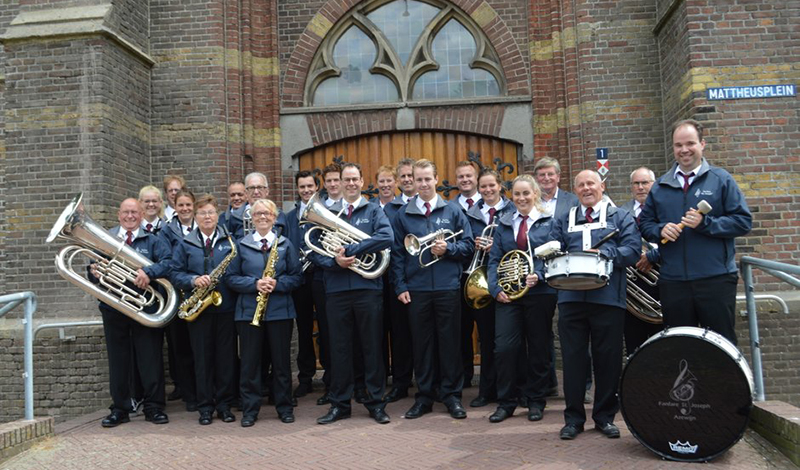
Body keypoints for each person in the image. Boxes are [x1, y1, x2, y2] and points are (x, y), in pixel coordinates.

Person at [639, 119, 752, 345]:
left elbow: (742, 222)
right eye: (678, 145)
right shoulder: (660, 187)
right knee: (682, 347)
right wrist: (661, 229)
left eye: (690, 143)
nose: (684, 150)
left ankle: (724, 383)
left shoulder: (721, 180)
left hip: (715, 280)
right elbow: (645, 224)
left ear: (702, 144)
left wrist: (705, 224)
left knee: (722, 346)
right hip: (674, 282)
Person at [549, 170, 640, 440]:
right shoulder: (564, 219)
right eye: (581, 185)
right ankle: (573, 419)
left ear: (602, 185)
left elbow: (633, 250)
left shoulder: (620, 217)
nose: (586, 188)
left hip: (608, 298)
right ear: (575, 190)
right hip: (571, 298)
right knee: (574, 361)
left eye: (591, 183)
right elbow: (552, 247)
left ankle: (604, 417)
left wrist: (606, 253)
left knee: (608, 360)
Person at [390, 159, 474, 419]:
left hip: (447, 287)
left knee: (450, 344)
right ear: (412, 182)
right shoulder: (403, 215)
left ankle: (452, 396)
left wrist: (448, 249)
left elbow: (468, 246)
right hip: (417, 289)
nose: (423, 184)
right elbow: (397, 255)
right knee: (422, 345)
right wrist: (400, 285)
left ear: (437, 179)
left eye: (428, 179)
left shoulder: (452, 211)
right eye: (419, 179)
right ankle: (424, 396)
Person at [310, 163, 394, 425]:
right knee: (339, 349)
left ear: (362, 181)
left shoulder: (372, 210)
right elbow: (313, 251)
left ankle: (376, 403)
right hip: (336, 291)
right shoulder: (327, 212)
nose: (350, 183)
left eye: (355, 179)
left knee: (371, 348)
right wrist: (335, 262)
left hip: (368, 290)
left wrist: (355, 249)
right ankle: (340, 404)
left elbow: (387, 237)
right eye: (346, 180)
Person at [92, 198, 173, 427]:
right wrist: (94, 272)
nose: (130, 216)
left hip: (144, 307)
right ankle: (120, 409)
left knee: (150, 358)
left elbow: (168, 263)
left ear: (141, 215)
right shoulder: (105, 239)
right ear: (119, 215)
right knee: (118, 361)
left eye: (134, 213)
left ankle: (154, 407)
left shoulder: (153, 240)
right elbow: (92, 267)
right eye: (126, 212)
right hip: (114, 307)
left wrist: (149, 272)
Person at [485, 175, 555, 422]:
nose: (522, 198)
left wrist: (541, 274)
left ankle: (536, 401)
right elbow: (494, 260)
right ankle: (507, 402)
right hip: (509, 296)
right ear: (511, 196)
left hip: (540, 294)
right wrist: (495, 289)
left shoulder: (549, 222)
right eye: (517, 194)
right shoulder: (504, 223)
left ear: (535, 193)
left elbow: (557, 255)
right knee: (504, 348)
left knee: (538, 348)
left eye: (526, 193)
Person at [227, 198, 302, 426]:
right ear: (251, 217)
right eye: (257, 213)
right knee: (250, 364)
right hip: (249, 312)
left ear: (274, 217)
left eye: (266, 214)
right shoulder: (240, 245)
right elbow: (231, 278)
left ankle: (284, 407)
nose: (262, 217)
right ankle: (250, 410)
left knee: (281, 364)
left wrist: (277, 284)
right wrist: (255, 284)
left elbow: (297, 276)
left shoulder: (285, 244)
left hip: (280, 311)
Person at [169, 195, 238, 425]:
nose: (207, 216)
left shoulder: (230, 242)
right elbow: (175, 273)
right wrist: (193, 280)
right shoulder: (185, 243)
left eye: (210, 212)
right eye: (202, 213)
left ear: (217, 215)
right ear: (195, 218)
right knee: (202, 360)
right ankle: (205, 407)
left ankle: (225, 405)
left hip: (225, 307)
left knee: (226, 360)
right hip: (198, 309)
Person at [464, 168, 515, 408]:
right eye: (483, 187)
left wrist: (498, 245)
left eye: (491, 186)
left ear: (500, 186)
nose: (487, 190)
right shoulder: (470, 213)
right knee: (485, 337)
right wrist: (475, 244)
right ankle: (487, 390)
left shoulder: (513, 209)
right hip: (481, 280)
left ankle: (512, 389)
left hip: (506, 279)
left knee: (508, 340)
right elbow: (463, 243)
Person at [533, 157, 580, 398]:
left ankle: (584, 385)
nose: (546, 179)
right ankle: (549, 382)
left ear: (558, 176)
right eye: (541, 175)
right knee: (542, 332)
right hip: (539, 276)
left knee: (575, 330)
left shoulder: (572, 201)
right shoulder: (530, 201)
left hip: (567, 273)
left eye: (550, 174)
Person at [159, 190, 198, 411]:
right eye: (180, 205)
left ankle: (205, 390)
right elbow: (169, 261)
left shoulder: (202, 225)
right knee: (181, 347)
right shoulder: (167, 230)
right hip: (178, 294)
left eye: (188, 205)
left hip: (199, 294)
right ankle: (189, 394)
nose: (184, 209)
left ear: (193, 206)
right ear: (175, 207)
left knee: (200, 347)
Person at [382, 158, 416, 403]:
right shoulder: (389, 209)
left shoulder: (435, 206)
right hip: (400, 281)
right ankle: (402, 383)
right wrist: (398, 283)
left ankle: (431, 382)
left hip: (426, 281)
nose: (407, 180)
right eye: (402, 176)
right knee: (401, 335)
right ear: (398, 181)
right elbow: (393, 250)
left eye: (411, 176)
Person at [284, 170, 319, 398]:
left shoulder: (325, 210)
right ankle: (305, 378)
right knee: (304, 330)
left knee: (328, 329)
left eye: (310, 186)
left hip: (323, 277)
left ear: (317, 187)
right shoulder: (289, 217)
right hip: (301, 281)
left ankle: (332, 376)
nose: (306, 190)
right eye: (302, 187)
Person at [620, 167, 662, 354]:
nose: (640, 187)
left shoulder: (665, 209)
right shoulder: (620, 212)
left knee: (661, 339)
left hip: (660, 281)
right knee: (633, 341)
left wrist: (654, 256)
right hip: (633, 286)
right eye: (636, 183)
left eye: (645, 183)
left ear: (654, 184)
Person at [312, 163, 344, 405]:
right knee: (330, 335)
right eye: (329, 181)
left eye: (337, 180)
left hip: (355, 282)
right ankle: (333, 386)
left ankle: (359, 385)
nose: (333, 185)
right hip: (328, 280)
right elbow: (312, 247)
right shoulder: (319, 210)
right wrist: (334, 261)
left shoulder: (356, 208)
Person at [451, 161, 482, 389]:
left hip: (484, 276)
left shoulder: (490, 202)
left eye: (468, 175)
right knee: (460, 330)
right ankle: (464, 377)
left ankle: (490, 381)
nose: (465, 180)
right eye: (460, 176)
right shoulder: (450, 207)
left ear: (476, 177)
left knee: (487, 330)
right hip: (459, 274)